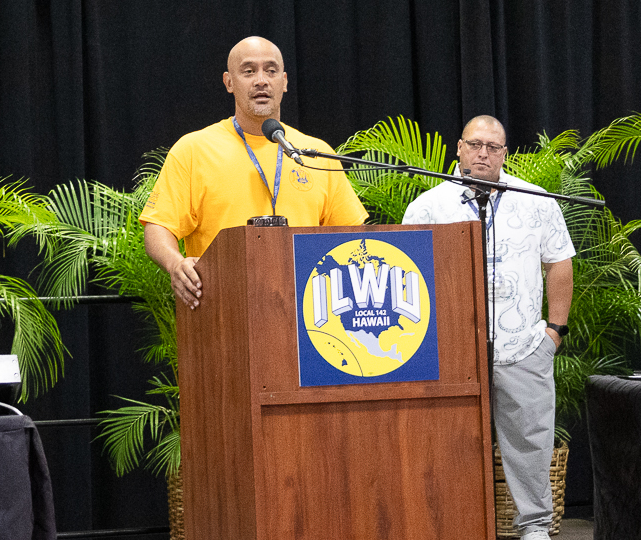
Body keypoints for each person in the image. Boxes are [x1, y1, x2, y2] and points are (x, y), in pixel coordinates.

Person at [402, 116, 573, 540]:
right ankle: (451, 525)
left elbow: (559, 262)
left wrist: (554, 331)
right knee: (448, 443)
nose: (483, 154)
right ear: (459, 148)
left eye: (493, 147)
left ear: (505, 154)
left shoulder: (535, 200)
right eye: (475, 144)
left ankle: (534, 527)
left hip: (523, 346)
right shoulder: (428, 206)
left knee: (530, 440)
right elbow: (407, 274)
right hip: (451, 350)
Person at [141, 36, 368, 309]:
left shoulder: (314, 153)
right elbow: (158, 227)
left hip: (308, 310)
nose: (261, 80)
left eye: (271, 71)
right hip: (223, 309)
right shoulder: (193, 150)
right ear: (229, 82)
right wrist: (175, 264)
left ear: (284, 81)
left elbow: (353, 236)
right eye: (249, 71)